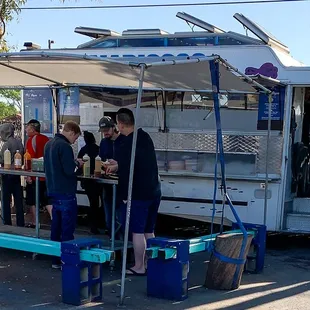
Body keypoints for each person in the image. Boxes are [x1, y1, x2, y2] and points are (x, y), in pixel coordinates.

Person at [107, 108, 161, 276]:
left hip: (137, 193)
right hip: (154, 189)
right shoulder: (144, 137)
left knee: (137, 232)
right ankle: (151, 263)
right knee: (149, 231)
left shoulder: (127, 143)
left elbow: (127, 174)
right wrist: (119, 164)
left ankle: (139, 266)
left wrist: (124, 197)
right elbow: (139, 163)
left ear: (121, 124)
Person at [44, 121, 83, 269]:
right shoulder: (65, 147)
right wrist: (77, 164)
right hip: (66, 192)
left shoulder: (49, 144)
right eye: (76, 137)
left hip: (53, 190)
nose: (75, 141)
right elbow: (69, 170)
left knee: (56, 226)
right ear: (71, 132)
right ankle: (66, 260)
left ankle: (55, 259)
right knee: (67, 228)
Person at [98, 116, 125, 238]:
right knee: (109, 218)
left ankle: (122, 242)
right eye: (103, 131)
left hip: (121, 185)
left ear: (114, 127)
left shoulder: (124, 141)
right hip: (107, 184)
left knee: (121, 217)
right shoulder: (104, 142)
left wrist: (117, 164)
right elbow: (101, 158)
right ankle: (112, 238)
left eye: (107, 130)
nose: (105, 134)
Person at [24, 119, 52, 228]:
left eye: (27, 127)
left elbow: (29, 159)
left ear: (32, 129)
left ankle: (35, 223)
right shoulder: (46, 139)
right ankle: (54, 219)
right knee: (46, 200)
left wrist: (28, 175)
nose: (26, 129)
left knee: (32, 200)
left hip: (35, 176)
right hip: (46, 176)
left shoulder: (31, 140)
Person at [0, 123, 25, 227]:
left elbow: (1, 159)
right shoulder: (19, 142)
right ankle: (20, 223)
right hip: (17, 174)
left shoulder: (6, 145)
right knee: (18, 200)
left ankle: (7, 223)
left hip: (6, 175)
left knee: (6, 201)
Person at [77, 131, 102, 235]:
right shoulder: (98, 149)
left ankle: (93, 226)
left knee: (93, 203)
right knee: (102, 202)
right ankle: (103, 224)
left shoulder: (83, 150)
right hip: (99, 179)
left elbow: (79, 165)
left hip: (87, 180)